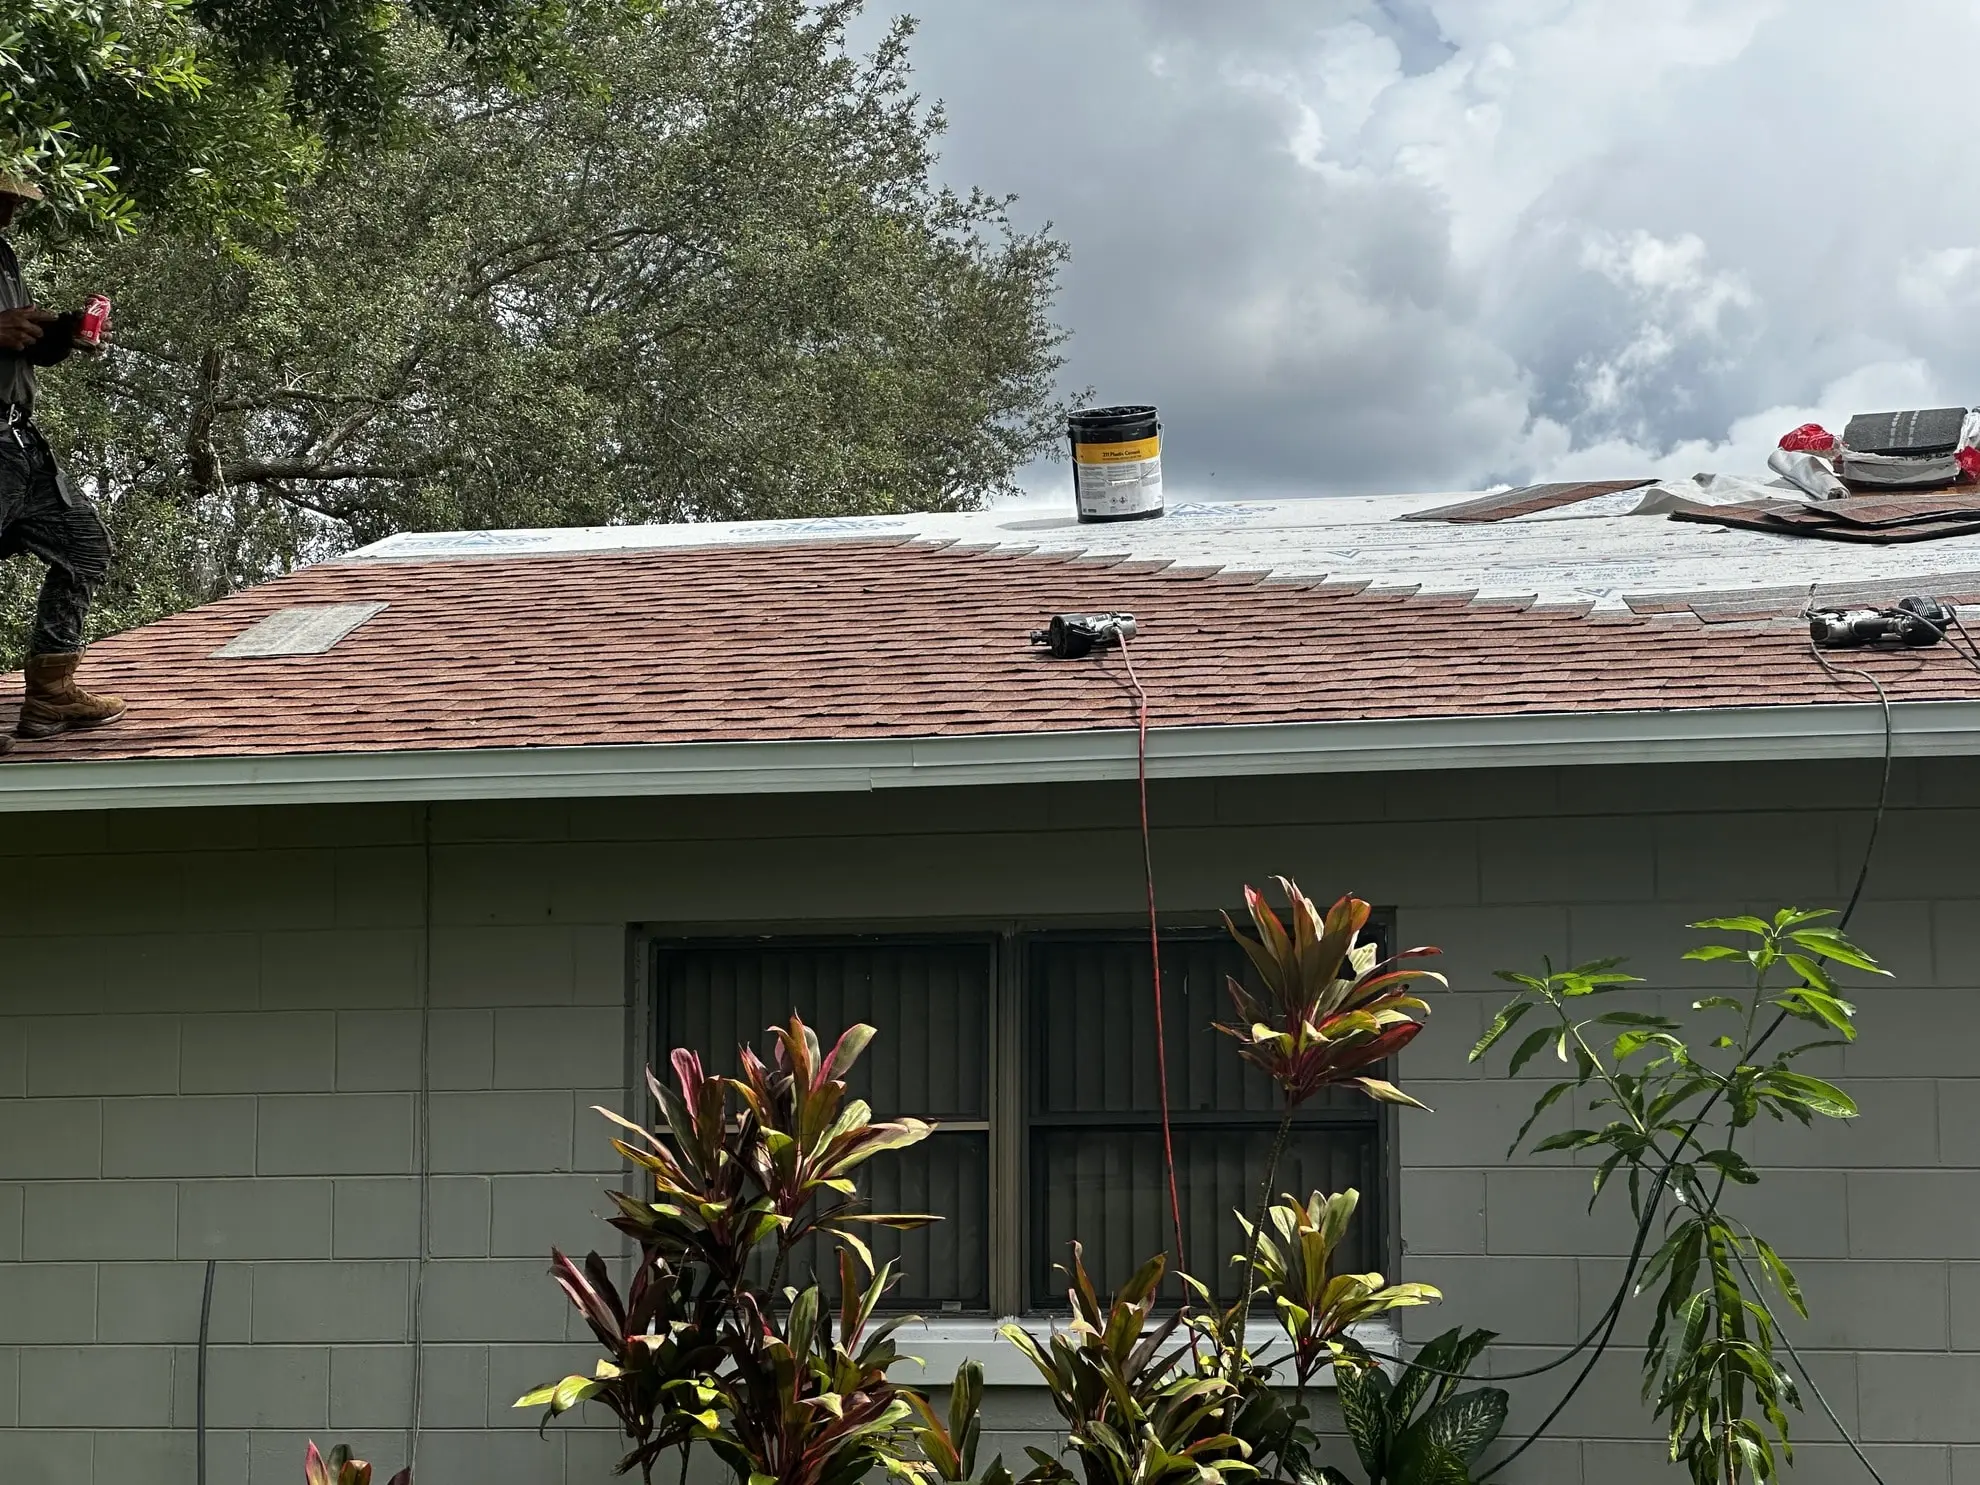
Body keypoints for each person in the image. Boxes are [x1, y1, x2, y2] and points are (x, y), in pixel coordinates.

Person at [0, 172, 125, 749]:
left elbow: (19, 341)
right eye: (1, 200)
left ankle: (50, 693)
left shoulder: (2, 255)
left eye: (14, 203)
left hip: (17, 440)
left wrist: (58, 332)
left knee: (83, 546)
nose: (9, 212)